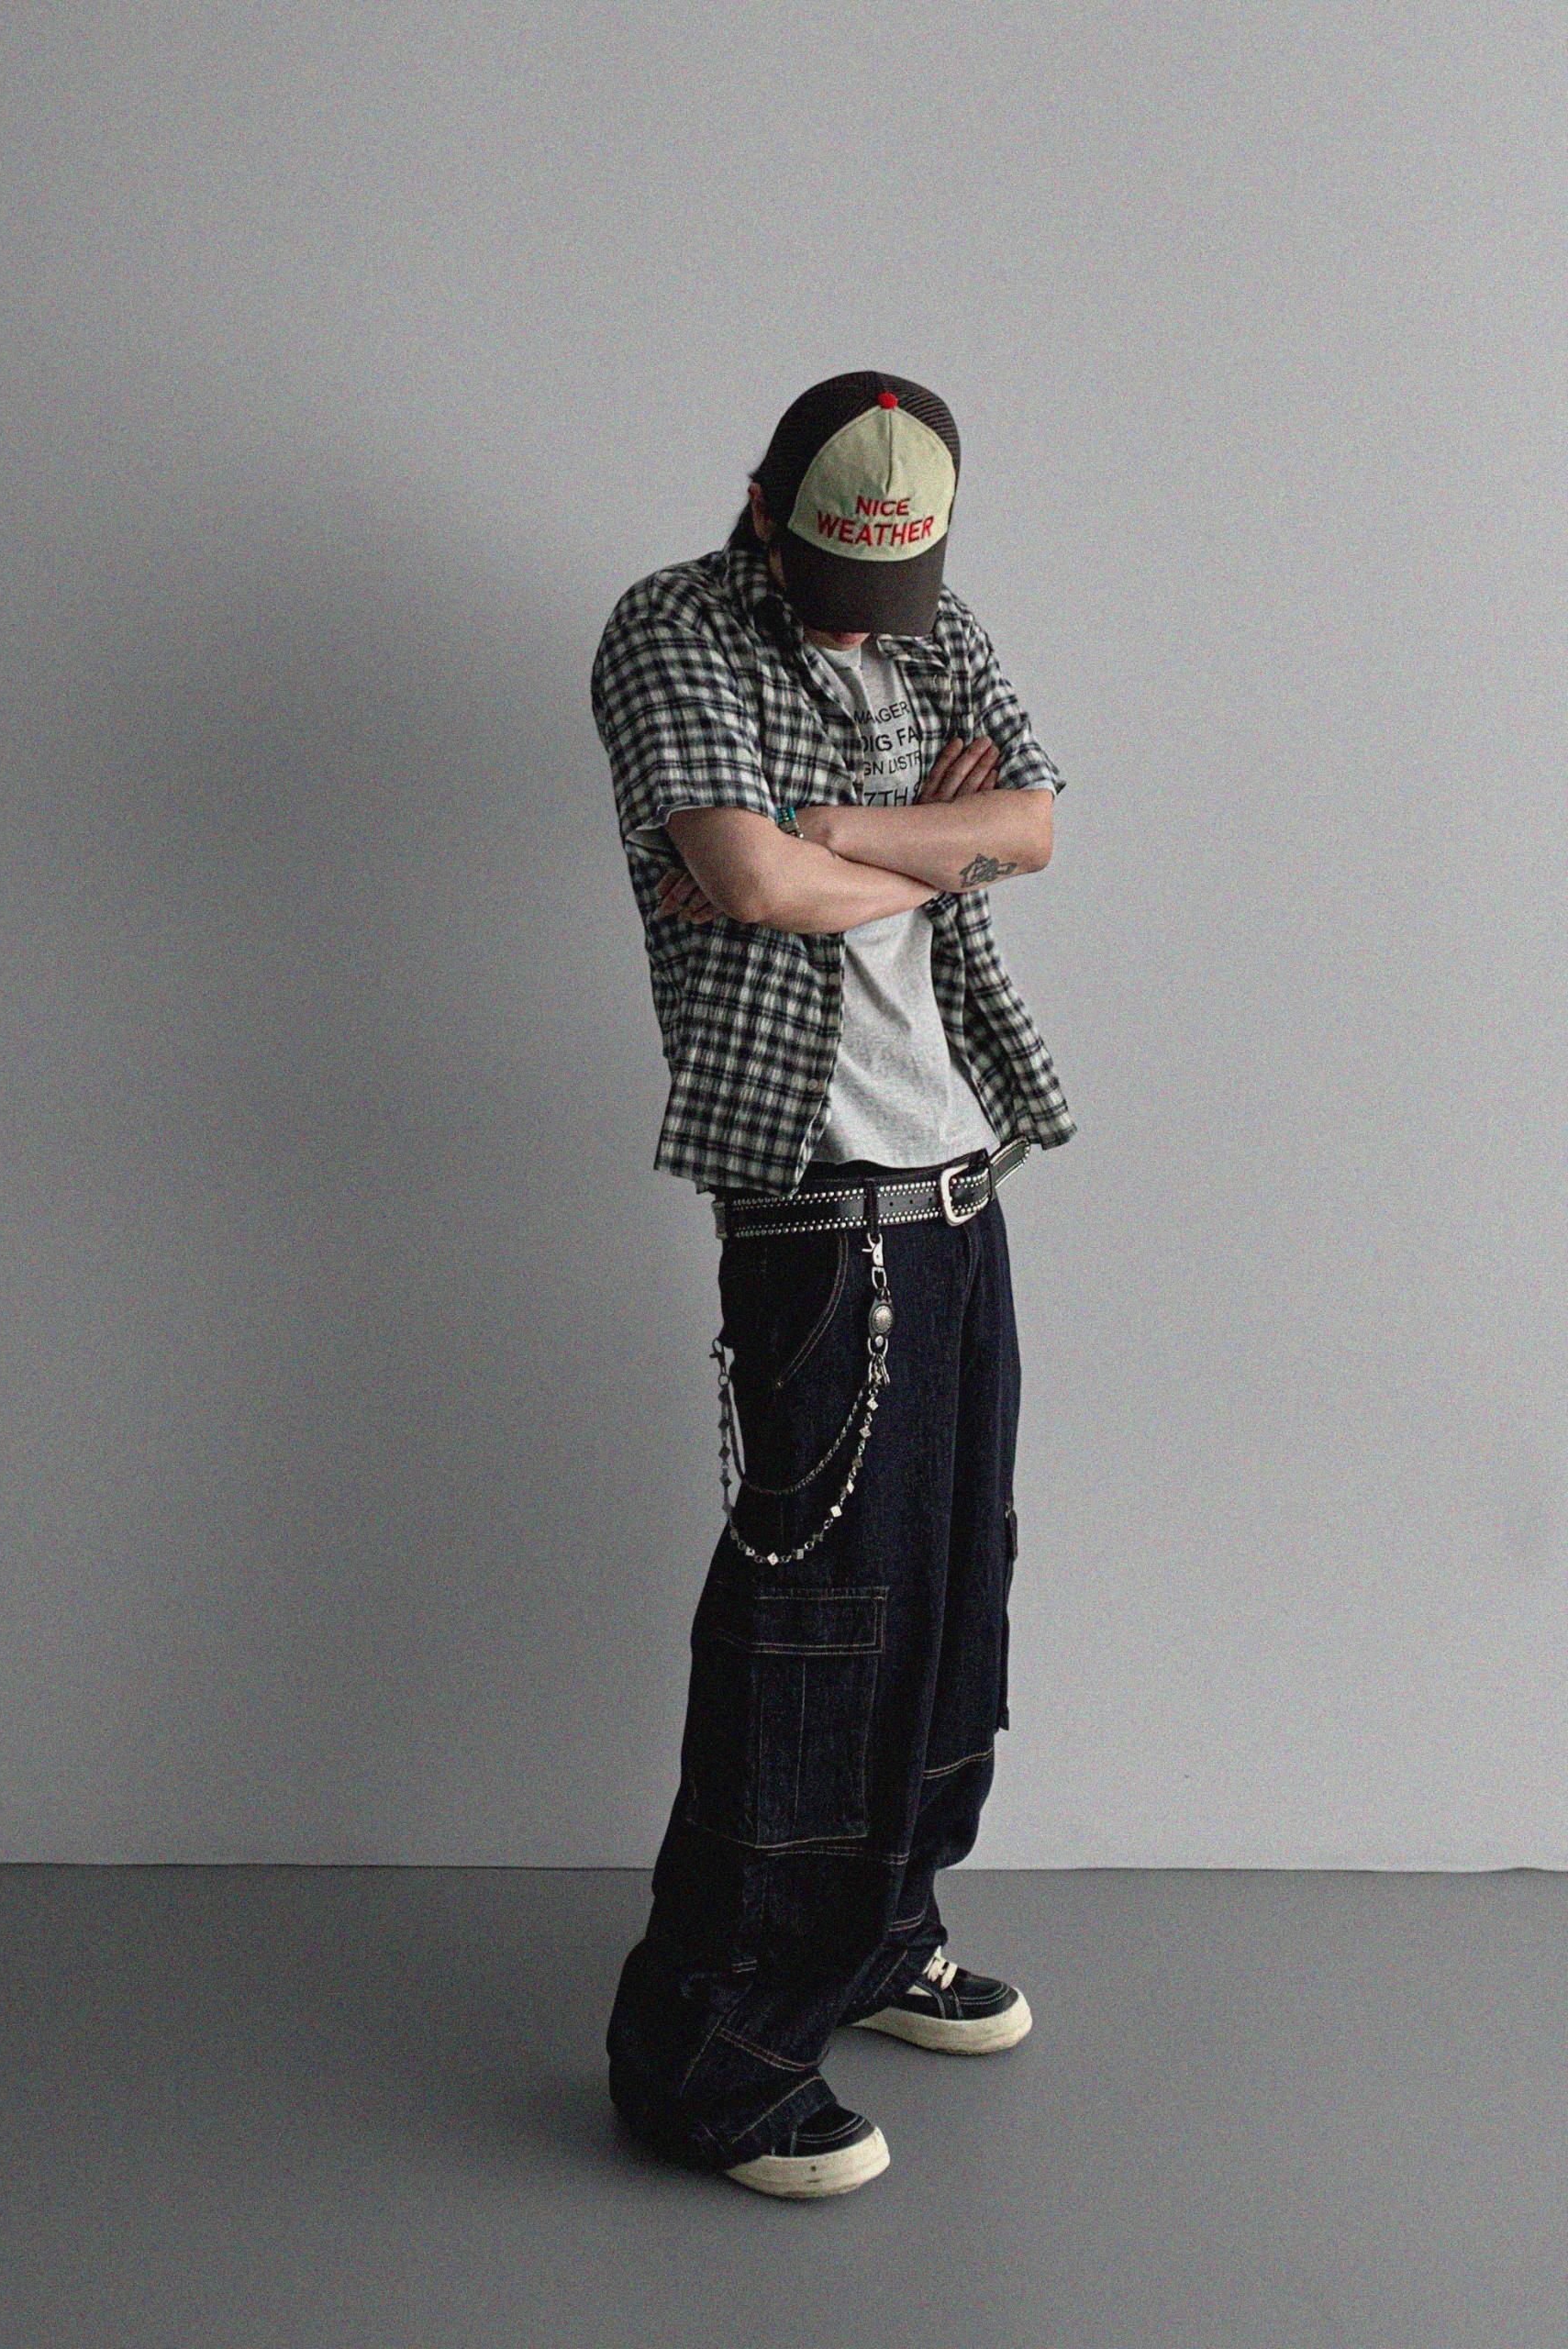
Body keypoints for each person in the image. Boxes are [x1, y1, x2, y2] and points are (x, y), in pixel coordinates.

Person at [589, 370, 1077, 2199]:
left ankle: (880, 1937)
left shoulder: (935, 624)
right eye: (839, 577)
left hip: (959, 1178)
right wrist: (913, 841)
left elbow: (1034, 822)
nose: (875, 618)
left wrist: (840, 830)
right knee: (820, 1630)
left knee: (953, 1593)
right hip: (818, 1199)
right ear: (762, 507)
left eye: (899, 582)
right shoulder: (675, 631)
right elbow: (742, 880)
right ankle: (711, 2056)